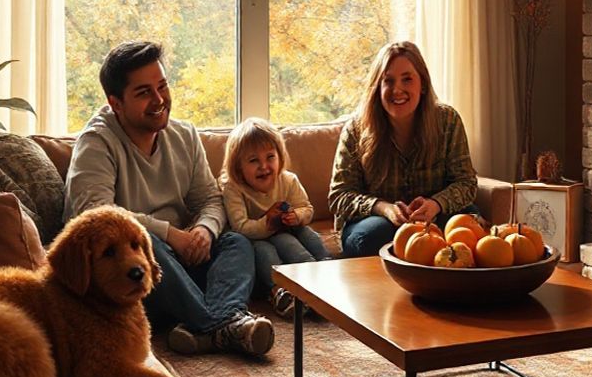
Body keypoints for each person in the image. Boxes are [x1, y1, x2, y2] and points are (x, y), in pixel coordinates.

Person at [64, 41, 273, 357]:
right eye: (144, 92)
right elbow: (96, 214)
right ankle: (223, 323)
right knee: (145, 241)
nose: (159, 99)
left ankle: (202, 327)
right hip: (129, 272)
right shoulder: (96, 143)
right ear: (115, 103)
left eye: (162, 86)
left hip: (180, 268)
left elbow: (210, 199)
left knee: (236, 243)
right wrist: (169, 234)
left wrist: (204, 230)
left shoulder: (184, 135)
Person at [328, 41, 480, 257]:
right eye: (388, 81)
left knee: (465, 228)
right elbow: (339, 196)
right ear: (377, 88)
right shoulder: (356, 129)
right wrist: (384, 208)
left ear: (423, 85)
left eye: (407, 79)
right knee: (373, 235)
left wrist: (436, 204)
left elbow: (466, 182)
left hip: (436, 216)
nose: (397, 90)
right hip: (379, 223)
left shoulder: (448, 121)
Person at [221, 117, 329, 318]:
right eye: (253, 161)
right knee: (267, 249)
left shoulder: (287, 180)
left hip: (289, 231)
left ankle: (326, 272)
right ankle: (281, 292)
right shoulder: (233, 188)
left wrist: (296, 216)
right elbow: (240, 227)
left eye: (270, 157)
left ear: (280, 157)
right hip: (255, 240)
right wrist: (268, 222)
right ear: (238, 167)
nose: (264, 166)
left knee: (307, 234)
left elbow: (306, 208)